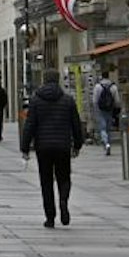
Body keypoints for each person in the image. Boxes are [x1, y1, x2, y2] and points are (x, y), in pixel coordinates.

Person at [20, 68, 84, 227]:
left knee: (46, 181)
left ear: (44, 80)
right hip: (63, 146)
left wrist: (25, 147)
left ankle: (50, 217)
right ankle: (63, 200)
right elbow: (76, 125)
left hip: (43, 147)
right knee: (64, 177)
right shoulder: (68, 100)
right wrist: (77, 145)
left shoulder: (36, 100)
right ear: (58, 80)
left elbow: (30, 125)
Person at [93, 70, 121, 156]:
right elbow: (117, 100)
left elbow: (94, 100)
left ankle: (106, 144)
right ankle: (108, 144)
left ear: (102, 76)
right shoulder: (113, 86)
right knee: (108, 128)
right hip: (110, 109)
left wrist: (95, 109)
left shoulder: (97, 86)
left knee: (102, 128)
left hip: (100, 110)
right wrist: (117, 108)